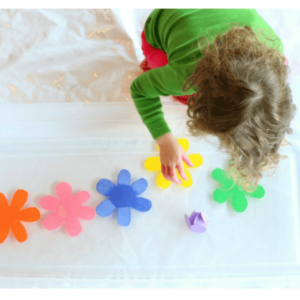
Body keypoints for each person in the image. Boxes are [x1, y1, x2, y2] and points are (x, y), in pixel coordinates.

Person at [130, 9, 296, 191]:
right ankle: (152, 62)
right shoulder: (184, 77)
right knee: (182, 97)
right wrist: (165, 140)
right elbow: (139, 90)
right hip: (159, 24)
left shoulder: (275, 50)